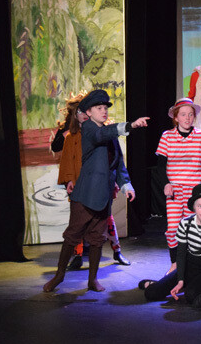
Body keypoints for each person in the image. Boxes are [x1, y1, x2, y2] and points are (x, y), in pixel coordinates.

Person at [43, 90, 149, 293]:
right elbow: (101, 135)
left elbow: (118, 163)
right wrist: (131, 125)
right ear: (89, 113)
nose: (104, 111)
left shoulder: (109, 134)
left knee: (97, 238)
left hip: (103, 195)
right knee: (72, 236)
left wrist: (126, 185)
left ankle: (93, 279)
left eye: (105, 108)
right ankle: (59, 276)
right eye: (99, 108)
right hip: (85, 195)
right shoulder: (90, 129)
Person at [53, 92, 130, 269]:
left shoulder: (102, 133)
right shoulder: (72, 136)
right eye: (80, 112)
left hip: (100, 185)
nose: (84, 115)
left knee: (106, 219)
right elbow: (67, 160)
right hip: (81, 185)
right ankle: (78, 255)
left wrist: (117, 182)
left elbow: (113, 160)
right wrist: (69, 180)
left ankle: (116, 249)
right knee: (78, 222)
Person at [139, 184, 201, 304]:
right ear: (194, 206)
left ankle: (196, 287)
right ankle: (156, 284)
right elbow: (181, 254)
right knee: (151, 293)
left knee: (191, 295)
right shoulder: (185, 223)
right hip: (188, 268)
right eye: (200, 206)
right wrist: (180, 280)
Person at [155, 98, 201, 273]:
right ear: (176, 117)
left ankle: (191, 264)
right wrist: (166, 183)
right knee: (173, 228)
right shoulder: (167, 136)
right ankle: (175, 263)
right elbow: (160, 166)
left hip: (194, 190)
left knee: (193, 229)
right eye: (183, 114)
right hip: (175, 189)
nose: (187, 118)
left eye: (190, 114)